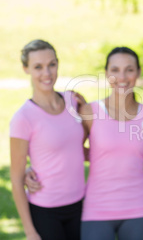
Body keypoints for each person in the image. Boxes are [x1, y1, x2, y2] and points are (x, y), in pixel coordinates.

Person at [78, 47, 143, 240]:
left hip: (138, 208)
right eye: (115, 70)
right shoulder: (90, 111)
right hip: (96, 208)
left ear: (138, 72)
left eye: (129, 70)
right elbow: (69, 151)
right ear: (106, 73)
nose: (122, 76)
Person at [10, 39, 86, 240]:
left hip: (80, 205)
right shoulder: (23, 118)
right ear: (26, 69)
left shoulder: (73, 101)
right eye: (38, 67)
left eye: (52, 64)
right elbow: (16, 179)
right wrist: (30, 231)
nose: (47, 73)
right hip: (45, 211)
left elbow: (86, 147)